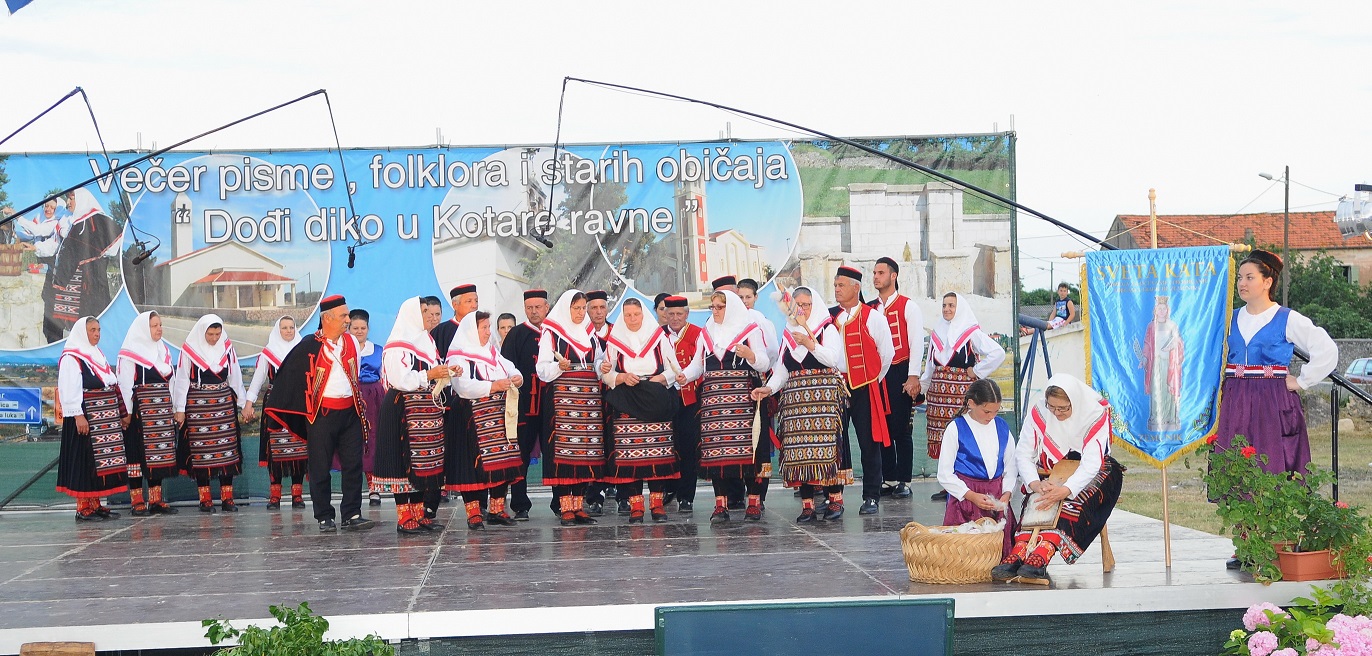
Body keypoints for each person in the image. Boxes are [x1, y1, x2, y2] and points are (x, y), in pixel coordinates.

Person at [1214, 250, 1338, 568]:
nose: (1242, 283)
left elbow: (1325, 348)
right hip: (1238, 397)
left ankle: (1273, 543)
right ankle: (1245, 545)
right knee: (1238, 468)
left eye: (1249, 277)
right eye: (1240, 277)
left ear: (1267, 281)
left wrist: (1303, 381)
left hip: (1272, 399)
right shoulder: (1230, 318)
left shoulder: (1287, 318)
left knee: (1272, 468)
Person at [993, 375, 1123, 585]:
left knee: (1071, 502)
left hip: (1093, 469)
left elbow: (1091, 463)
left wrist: (1067, 489)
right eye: (1052, 407)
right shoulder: (1040, 413)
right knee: (1039, 499)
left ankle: (1044, 552)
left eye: (1063, 408)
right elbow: (1023, 453)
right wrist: (1036, 484)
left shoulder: (1094, 414)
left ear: (1075, 401)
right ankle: (1020, 550)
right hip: (1053, 467)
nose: (1056, 413)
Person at [263, 295, 376, 532]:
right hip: (321, 415)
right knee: (320, 465)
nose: (348, 320)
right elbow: (289, 375)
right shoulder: (310, 345)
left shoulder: (352, 343)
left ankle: (352, 513)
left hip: (350, 412)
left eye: (347, 315)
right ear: (327, 318)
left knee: (353, 464)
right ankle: (324, 514)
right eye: (343, 316)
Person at [754, 285, 851, 522]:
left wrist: (811, 344)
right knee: (800, 452)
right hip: (797, 400)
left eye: (806, 305)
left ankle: (835, 499)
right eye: (797, 306)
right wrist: (769, 389)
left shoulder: (826, 328)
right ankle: (807, 504)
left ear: (814, 305)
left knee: (829, 450)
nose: (802, 310)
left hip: (824, 399)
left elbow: (832, 359)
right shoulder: (789, 333)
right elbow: (782, 370)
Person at [682, 289, 771, 523]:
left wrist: (751, 354)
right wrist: (682, 377)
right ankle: (720, 505)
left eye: (719, 307)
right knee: (716, 453)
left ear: (730, 308)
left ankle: (753, 502)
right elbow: (697, 366)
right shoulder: (706, 333)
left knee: (749, 450)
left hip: (743, 398)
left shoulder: (750, 330)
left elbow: (764, 361)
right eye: (712, 307)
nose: (715, 311)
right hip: (714, 402)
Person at [373, 297, 452, 535]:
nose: (430, 317)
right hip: (403, 408)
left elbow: (431, 373)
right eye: (424, 311)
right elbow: (400, 380)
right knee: (403, 460)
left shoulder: (426, 341)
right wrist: (430, 374)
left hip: (425, 408)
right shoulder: (398, 344)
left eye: (433, 312)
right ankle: (404, 516)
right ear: (411, 313)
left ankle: (419, 515)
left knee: (423, 463)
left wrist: (444, 373)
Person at [600, 299, 683, 523]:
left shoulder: (659, 338)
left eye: (636, 314)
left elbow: (674, 369)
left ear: (643, 315)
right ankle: (636, 505)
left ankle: (657, 505)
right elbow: (606, 374)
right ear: (622, 316)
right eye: (628, 315)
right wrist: (622, 377)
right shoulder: (615, 341)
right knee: (630, 459)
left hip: (655, 398)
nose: (632, 319)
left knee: (657, 454)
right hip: (627, 399)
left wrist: (660, 378)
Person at [922, 292, 1006, 501]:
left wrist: (977, 371)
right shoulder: (937, 333)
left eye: (951, 305)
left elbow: (998, 353)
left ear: (960, 308)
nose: (947, 309)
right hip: (939, 394)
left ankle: (961, 483)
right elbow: (931, 366)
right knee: (943, 438)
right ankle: (948, 484)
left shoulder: (970, 333)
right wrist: (924, 387)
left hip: (960, 394)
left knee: (960, 436)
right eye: (944, 305)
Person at [450, 310, 526, 529]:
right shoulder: (459, 355)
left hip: (497, 415)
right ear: (472, 330)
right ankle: (473, 512)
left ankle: (496, 509)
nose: (487, 332)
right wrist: (492, 386)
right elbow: (461, 386)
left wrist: (516, 376)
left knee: (501, 462)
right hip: (471, 416)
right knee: (471, 465)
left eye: (487, 327)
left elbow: (508, 366)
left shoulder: (491, 351)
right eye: (483, 327)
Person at [536, 289, 606, 526]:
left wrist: (602, 367)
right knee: (564, 453)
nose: (580, 313)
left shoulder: (590, 333)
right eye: (576, 308)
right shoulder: (552, 333)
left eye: (583, 308)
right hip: (563, 401)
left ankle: (579, 505)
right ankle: (565, 506)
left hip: (587, 401)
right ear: (566, 308)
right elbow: (542, 370)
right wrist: (559, 366)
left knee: (585, 451)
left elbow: (597, 360)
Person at [831, 266, 894, 515]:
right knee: (835, 443)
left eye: (841, 285)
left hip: (865, 387)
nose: (836, 289)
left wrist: (872, 380)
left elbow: (886, 354)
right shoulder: (829, 317)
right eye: (835, 285)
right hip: (837, 386)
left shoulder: (872, 317)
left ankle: (871, 495)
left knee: (869, 443)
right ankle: (834, 495)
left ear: (856, 287)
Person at [172, 314, 251, 512]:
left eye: (217, 333)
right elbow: (182, 380)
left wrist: (243, 404)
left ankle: (227, 498)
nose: (215, 337)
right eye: (210, 334)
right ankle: (205, 499)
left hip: (223, 404)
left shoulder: (227, 348)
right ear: (202, 332)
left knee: (227, 451)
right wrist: (179, 409)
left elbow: (235, 376)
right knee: (201, 453)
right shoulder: (189, 350)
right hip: (198, 407)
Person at [57, 316, 129, 521]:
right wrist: (78, 415)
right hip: (84, 417)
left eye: (98, 329)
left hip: (102, 417)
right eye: (92, 330)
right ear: (82, 332)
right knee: (84, 461)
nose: (97, 334)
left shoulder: (96, 354)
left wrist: (121, 413)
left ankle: (95, 503)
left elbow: (110, 384)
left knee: (99, 463)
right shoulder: (72, 357)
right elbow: (69, 387)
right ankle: (82, 507)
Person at [936, 378, 1016, 556]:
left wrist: (1007, 494)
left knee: (998, 553)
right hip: (966, 500)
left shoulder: (1002, 427)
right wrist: (971, 495)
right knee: (965, 555)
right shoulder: (956, 428)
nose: (991, 417)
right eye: (986, 411)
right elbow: (944, 474)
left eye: (996, 411)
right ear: (971, 403)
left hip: (996, 499)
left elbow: (1011, 465)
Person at [869, 256, 925, 500]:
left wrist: (913, 376)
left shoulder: (907, 306)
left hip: (901, 371)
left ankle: (905, 480)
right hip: (877, 374)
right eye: (874, 273)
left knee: (901, 428)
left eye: (880, 273)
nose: (876, 277)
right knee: (882, 427)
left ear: (893, 276)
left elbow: (916, 343)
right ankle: (889, 478)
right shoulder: (870, 308)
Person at [117, 311, 180, 516]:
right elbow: (125, 385)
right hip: (140, 413)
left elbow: (172, 383)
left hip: (161, 412)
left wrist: (174, 409)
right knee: (136, 454)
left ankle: (156, 500)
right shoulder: (130, 354)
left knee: (158, 454)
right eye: (154, 325)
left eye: (160, 325)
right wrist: (125, 412)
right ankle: (137, 501)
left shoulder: (163, 351)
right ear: (144, 328)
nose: (159, 328)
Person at [245, 316, 306, 510]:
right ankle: (275, 496)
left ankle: (297, 496)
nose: (288, 331)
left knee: (299, 449)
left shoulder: (302, 351)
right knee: (276, 450)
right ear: (277, 330)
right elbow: (257, 380)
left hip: (298, 405)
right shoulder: (268, 354)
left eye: (291, 327)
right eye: (284, 328)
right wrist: (248, 403)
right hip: (274, 404)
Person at [501, 289, 549, 520]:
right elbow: (506, 367)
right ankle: (520, 504)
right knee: (521, 455)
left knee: (555, 454)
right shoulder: (516, 335)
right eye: (529, 307)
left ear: (546, 307)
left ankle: (562, 503)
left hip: (551, 406)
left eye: (538, 307)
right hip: (524, 406)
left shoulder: (555, 333)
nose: (534, 311)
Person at [47, 189, 121, 341]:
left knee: (91, 319)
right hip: (69, 281)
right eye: (67, 199)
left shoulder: (98, 220)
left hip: (91, 279)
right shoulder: (70, 220)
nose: (68, 203)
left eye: (71, 199)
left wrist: (91, 256)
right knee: (66, 327)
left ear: (81, 199)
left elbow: (113, 248)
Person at [433, 285, 479, 517]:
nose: (474, 306)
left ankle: (480, 507)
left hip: (480, 404)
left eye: (476, 301)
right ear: (455, 304)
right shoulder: (441, 332)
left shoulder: (481, 330)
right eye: (469, 301)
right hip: (450, 403)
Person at [664, 295, 702, 513]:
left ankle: (686, 496)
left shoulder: (697, 334)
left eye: (679, 314)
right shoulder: (658, 335)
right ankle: (669, 489)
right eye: (671, 314)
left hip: (690, 400)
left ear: (687, 314)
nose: (675, 318)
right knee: (667, 446)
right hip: (666, 400)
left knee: (688, 448)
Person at [348, 309, 385, 505]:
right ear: (349, 328)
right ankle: (353, 489)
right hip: (351, 397)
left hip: (374, 397)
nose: (359, 331)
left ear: (368, 329)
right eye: (355, 328)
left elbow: (384, 376)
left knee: (373, 439)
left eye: (363, 328)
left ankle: (374, 489)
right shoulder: (343, 349)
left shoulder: (378, 350)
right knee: (354, 440)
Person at [1142, 296, 1183, 432]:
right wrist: (1144, 359)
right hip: (1155, 364)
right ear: (1155, 310)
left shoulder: (1172, 325)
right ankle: (1156, 418)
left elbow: (1178, 342)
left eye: (1163, 308)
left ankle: (1170, 419)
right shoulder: (1151, 326)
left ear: (1167, 310)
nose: (1161, 311)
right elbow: (1147, 344)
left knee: (1168, 390)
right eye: (1159, 308)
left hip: (1169, 364)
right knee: (1156, 390)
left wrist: (1172, 345)